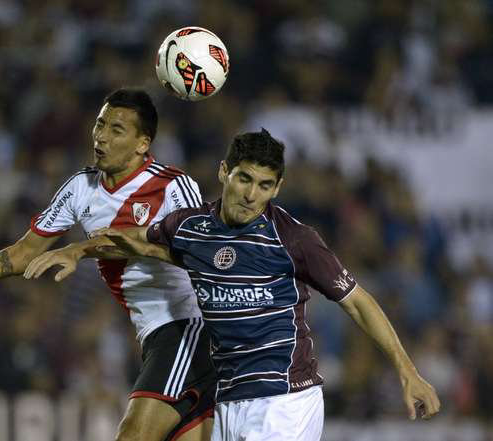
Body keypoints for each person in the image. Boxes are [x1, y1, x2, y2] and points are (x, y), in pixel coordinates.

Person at [27, 128, 441, 441]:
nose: (251, 194)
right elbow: (133, 241)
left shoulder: (294, 239)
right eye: (244, 179)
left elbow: (359, 302)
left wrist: (407, 371)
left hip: (286, 399)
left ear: (277, 188)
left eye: (264, 185)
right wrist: (78, 251)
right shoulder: (192, 230)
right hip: (229, 403)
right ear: (224, 172)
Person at [0, 88, 216, 441]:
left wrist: (81, 249)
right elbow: (25, 253)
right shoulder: (80, 187)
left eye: (116, 130)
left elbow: (197, 249)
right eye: (100, 124)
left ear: (143, 143)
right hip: (155, 337)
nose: (102, 136)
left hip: (189, 326)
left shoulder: (173, 186)